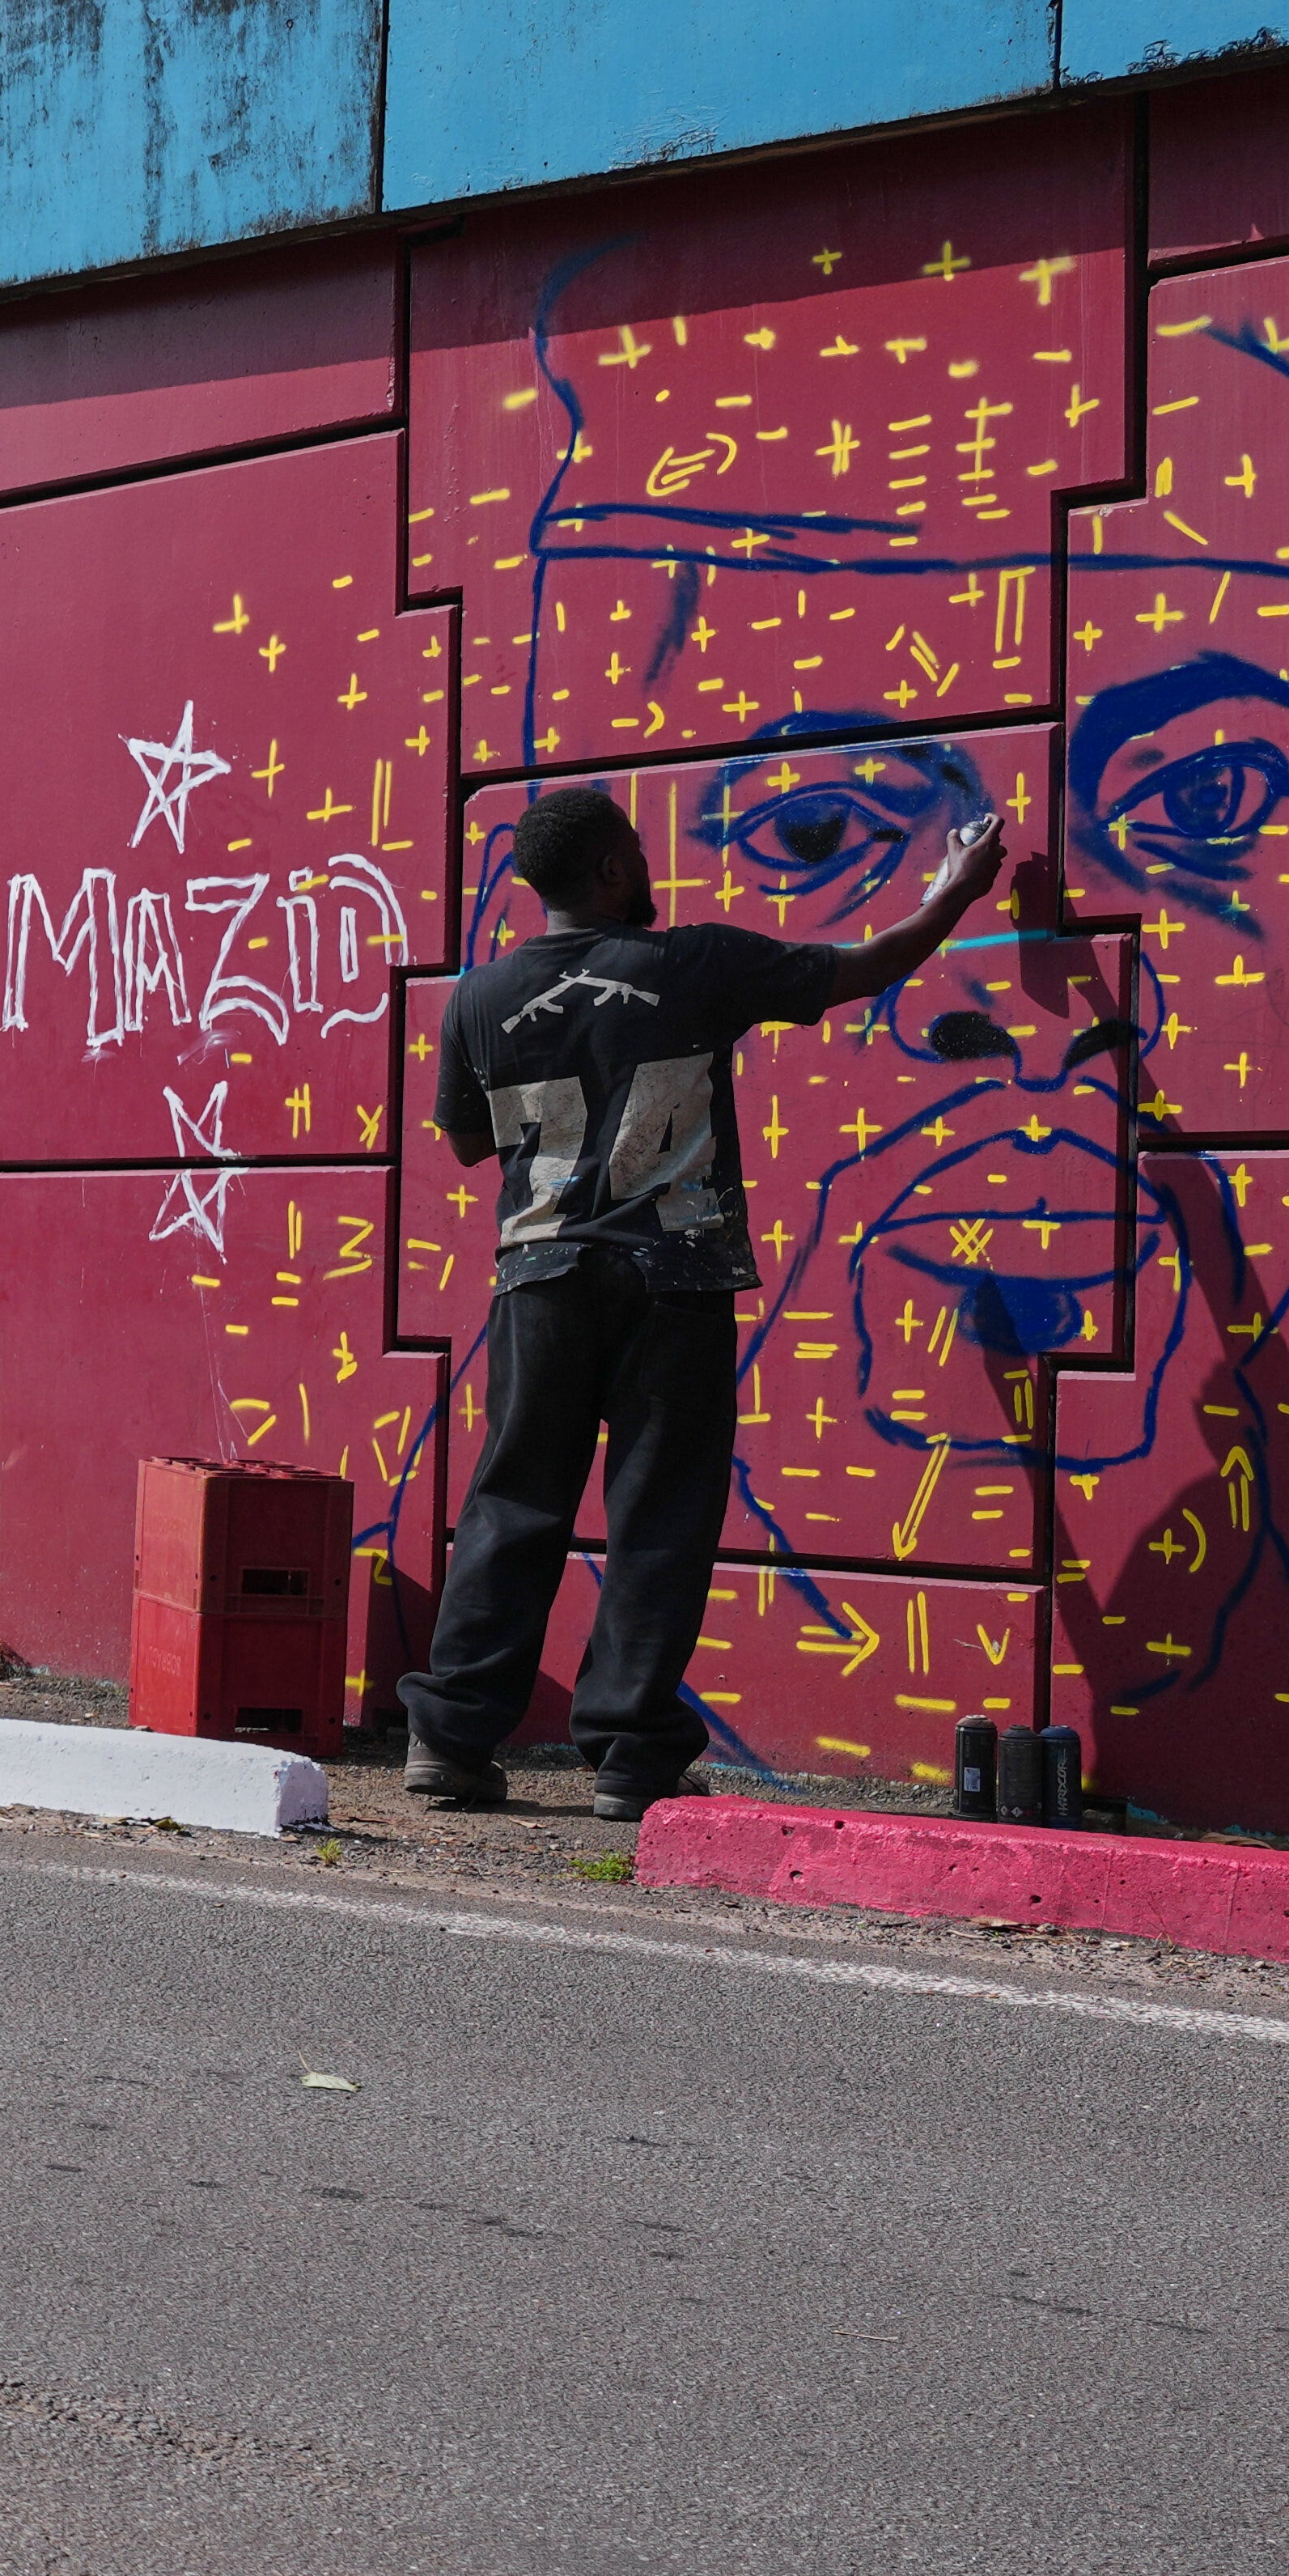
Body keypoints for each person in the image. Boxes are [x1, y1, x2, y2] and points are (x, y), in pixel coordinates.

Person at [400, 777, 1009, 1822]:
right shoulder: (694, 964)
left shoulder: (478, 998)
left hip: (538, 1278)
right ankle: (630, 1757)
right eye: (637, 851)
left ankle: (450, 1739)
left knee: (511, 1505)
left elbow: (465, 1145)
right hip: (669, 1279)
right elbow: (860, 970)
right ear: (608, 869)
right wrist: (955, 891)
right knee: (659, 1517)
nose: (651, 867)